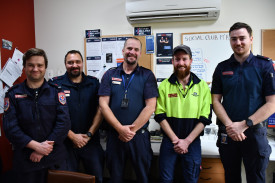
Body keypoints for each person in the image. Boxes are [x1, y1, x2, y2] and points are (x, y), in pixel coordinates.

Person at [211, 22, 275, 183]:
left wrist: (244, 124)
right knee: (231, 177)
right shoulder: (221, 68)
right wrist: (230, 126)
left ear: (251, 39)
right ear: (230, 41)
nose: (238, 42)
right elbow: (216, 100)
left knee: (256, 178)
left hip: (254, 133)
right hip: (228, 133)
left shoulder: (265, 66)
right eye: (233, 39)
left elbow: (272, 103)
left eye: (242, 38)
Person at [3, 48, 70, 183]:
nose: (35, 69)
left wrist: (42, 149)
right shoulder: (13, 94)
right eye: (31, 65)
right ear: (24, 67)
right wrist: (35, 146)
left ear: (45, 67)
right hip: (26, 161)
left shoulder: (56, 91)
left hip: (54, 158)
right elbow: (10, 127)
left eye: (39, 65)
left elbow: (64, 123)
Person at [98, 37, 158, 183]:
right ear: (123, 50)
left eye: (136, 49)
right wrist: (120, 129)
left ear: (140, 53)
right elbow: (103, 105)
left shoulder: (147, 75)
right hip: (115, 136)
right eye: (129, 48)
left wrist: (130, 131)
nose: (132, 52)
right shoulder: (110, 74)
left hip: (139, 137)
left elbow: (151, 106)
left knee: (143, 177)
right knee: (115, 178)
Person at [154, 45, 212, 183]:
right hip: (170, 141)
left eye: (184, 59)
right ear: (172, 62)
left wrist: (187, 141)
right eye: (177, 59)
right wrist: (176, 140)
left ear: (190, 61)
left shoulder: (203, 86)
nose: (181, 63)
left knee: (191, 179)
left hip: (192, 142)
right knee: (165, 179)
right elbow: (159, 115)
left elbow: (205, 118)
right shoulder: (164, 86)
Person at [49, 50, 104, 183]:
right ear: (65, 64)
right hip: (65, 143)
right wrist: (72, 136)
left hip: (90, 142)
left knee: (97, 179)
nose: (74, 65)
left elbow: (101, 110)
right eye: (70, 62)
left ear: (82, 63)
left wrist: (89, 134)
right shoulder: (55, 84)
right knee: (67, 179)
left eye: (77, 62)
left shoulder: (94, 83)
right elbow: (51, 114)